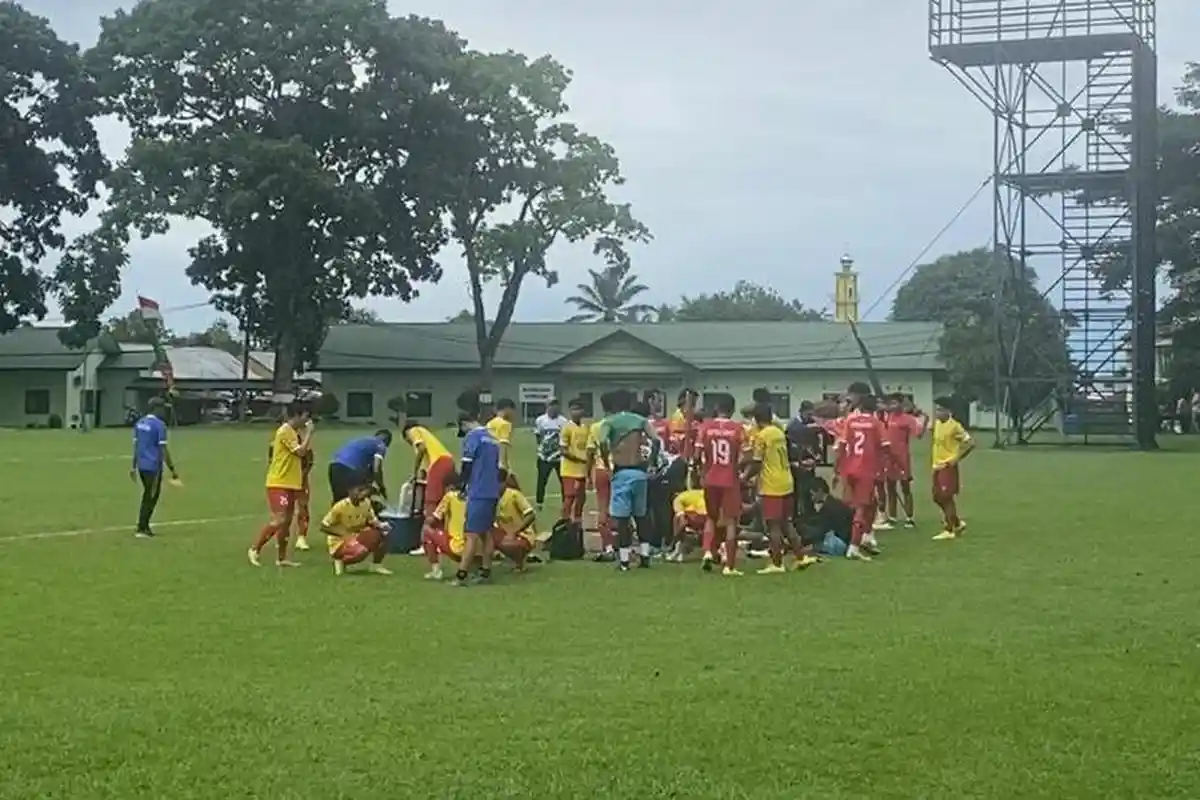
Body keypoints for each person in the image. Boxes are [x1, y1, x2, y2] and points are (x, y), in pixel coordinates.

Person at [744, 402, 814, 573]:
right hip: (787, 481)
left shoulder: (762, 436)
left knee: (773, 526)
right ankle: (801, 557)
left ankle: (776, 564)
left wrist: (744, 476)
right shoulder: (779, 432)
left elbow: (756, 462)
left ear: (756, 419)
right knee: (787, 523)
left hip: (772, 485)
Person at [596, 389, 658, 571]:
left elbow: (602, 442)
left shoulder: (609, 422)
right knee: (642, 516)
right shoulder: (640, 420)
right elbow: (656, 440)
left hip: (621, 472)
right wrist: (652, 462)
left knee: (622, 520)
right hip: (640, 472)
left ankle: (624, 561)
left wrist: (608, 461)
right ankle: (645, 556)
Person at [248, 402, 313, 567]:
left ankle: (282, 558)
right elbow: (300, 452)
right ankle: (255, 549)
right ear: (297, 415)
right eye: (306, 416)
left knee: (287, 522)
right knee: (280, 518)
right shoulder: (285, 431)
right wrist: (309, 434)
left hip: (292, 483)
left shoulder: (294, 432)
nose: (307, 421)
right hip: (279, 482)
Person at [697, 392, 744, 576]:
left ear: (717, 408)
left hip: (710, 477)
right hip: (729, 478)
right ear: (732, 410)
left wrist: (701, 472)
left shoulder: (706, 427)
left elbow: (697, 455)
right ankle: (729, 566)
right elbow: (745, 453)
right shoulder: (738, 428)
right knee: (731, 521)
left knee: (711, 517)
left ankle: (708, 551)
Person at [840, 385, 887, 561]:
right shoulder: (875, 422)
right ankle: (853, 546)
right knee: (860, 507)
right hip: (865, 469)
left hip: (850, 466)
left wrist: (839, 469)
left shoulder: (850, 419)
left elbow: (842, 445)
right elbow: (885, 446)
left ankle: (866, 535)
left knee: (871, 502)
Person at [457, 407, 503, 585]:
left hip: (478, 491)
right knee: (486, 533)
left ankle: (462, 575)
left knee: (471, 534)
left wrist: (461, 485)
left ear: (464, 424)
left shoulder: (472, 437)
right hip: (492, 490)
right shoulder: (493, 438)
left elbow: (466, 465)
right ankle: (486, 571)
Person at [320, 478, 392, 576]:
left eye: (364, 491)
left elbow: (372, 520)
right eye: (359, 490)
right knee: (361, 551)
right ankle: (340, 561)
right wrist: (342, 534)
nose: (362, 494)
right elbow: (323, 526)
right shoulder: (340, 506)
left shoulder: (366, 503)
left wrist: (382, 526)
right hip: (339, 543)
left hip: (356, 537)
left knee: (382, 534)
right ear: (350, 491)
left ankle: (376, 565)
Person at [130, 397, 179, 538]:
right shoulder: (159, 425)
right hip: (153, 467)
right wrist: (172, 468)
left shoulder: (140, 423)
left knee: (147, 494)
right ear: (156, 408)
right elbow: (163, 449)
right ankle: (142, 527)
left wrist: (133, 467)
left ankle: (143, 526)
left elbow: (136, 446)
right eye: (162, 408)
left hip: (141, 466)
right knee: (151, 496)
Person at [930, 397, 974, 541]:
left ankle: (949, 529)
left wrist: (956, 459)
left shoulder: (955, 426)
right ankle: (957, 522)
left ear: (949, 411)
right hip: (936, 465)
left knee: (946, 497)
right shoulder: (937, 424)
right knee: (936, 497)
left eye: (940, 409)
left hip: (947, 466)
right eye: (936, 409)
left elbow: (970, 443)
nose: (937, 412)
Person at [881, 394, 925, 527]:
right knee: (890, 487)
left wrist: (925, 419)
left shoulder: (908, 419)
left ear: (901, 404)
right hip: (889, 456)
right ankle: (892, 517)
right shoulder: (887, 417)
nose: (893, 406)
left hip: (902, 457)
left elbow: (918, 434)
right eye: (891, 403)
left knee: (905, 487)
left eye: (895, 403)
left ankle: (909, 517)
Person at [422, 471, 466, 580]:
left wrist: (426, 517)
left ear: (449, 486)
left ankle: (436, 571)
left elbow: (433, 520)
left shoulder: (450, 496)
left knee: (426, 530)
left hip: (456, 547)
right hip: (474, 549)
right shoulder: (473, 496)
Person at [403, 420, 453, 516]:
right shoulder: (426, 435)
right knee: (442, 498)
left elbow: (421, 448)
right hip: (448, 461)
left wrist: (414, 472)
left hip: (439, 462)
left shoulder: (413, 431)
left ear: (406, 434)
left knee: (432, 499)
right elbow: (425, 468)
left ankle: (430, 526)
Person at [327, 429, 391, 503]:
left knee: (339, 501)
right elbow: (377, 469)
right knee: (365, 493)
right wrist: (381, 487)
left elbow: (369, 471)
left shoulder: (364, 441)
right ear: (387, 442)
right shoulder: (380, 444)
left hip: (334, 466)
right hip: (349, 469)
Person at [587, 396, 615, 560]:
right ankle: (620, 544)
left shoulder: (596, 427)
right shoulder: (621, 425)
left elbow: (590, 452)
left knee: (603, 507)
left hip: (601, 469)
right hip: (618, 469)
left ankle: (608, 545)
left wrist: (587, 475)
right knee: (620, 508)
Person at [492, 471, 539, 570]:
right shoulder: (491, 497)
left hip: (523, 535)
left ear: (504, 482)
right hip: (505, 532)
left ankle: (520, 563)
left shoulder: (514, 495)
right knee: (479, 535)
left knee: (508, 543)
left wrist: (516, 531)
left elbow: (531, 515)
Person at [558, 398, 590, 531]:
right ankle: (564, 523)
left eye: (579, 409)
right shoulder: (566, 428)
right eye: (573, 409)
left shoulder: (585, 428)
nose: (576, 412)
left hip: (582, 470)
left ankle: (577, 522)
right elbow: (563, 450)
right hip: (569, 470)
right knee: (569, 497)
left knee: (581, 498)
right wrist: (580, 459)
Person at [806, 477, 854, 558]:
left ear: (820, 491)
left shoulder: (827, 508)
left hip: (839, 544)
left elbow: (821, 531)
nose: (812, 498)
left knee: (813, 544)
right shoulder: (837, 503)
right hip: (847, 542)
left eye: (812, 494)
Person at [533, 399, 567, 509]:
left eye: (556, 405)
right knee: (541, 480)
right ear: (547, 407)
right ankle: (539, 503)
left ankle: (565, 502)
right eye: (551, 405)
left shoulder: (563, 421)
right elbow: (538, 436)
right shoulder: (540, 420)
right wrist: (542, 449)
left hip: (559, 457)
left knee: (563, 481)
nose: (554, 408)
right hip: (544, 456)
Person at [668, 487, 707, 563]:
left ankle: (678, 550)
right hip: (710, 514)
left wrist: (676, 535)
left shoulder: (677, 500)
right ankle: (678, 551)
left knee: (677, 520)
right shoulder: (691, 494)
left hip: (700, 516)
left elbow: (682, 520)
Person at [486, 398, 516, 473]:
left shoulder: (490, 423)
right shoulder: (505, 424)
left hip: (486, 457)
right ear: (507, 409)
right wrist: (503, 464)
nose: (513, 414)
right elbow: (503, 444)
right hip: (496, 459)